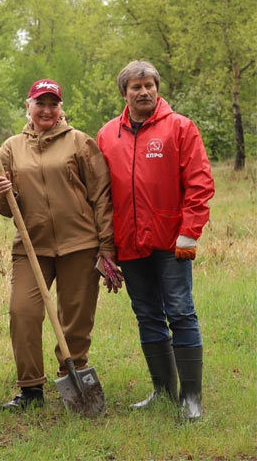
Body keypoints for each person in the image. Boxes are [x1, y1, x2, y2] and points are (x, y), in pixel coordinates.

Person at [0, 79, 117, 410]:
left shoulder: (80, 143)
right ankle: (30, 389)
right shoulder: (10, 148)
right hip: (31, 246)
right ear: (28, 106)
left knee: (76, 318)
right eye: (39, 103)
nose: (46, 110)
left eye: (52, 104)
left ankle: (72, 376)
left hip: (80, 244)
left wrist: (106, 245)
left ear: (61, 108)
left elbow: (101, 195)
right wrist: (3, 191)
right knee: (23, 312)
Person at [97, 60, 214, 420]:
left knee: (180, 312)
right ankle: (163, 390)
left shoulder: (180, 128)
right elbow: (100, 194)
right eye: (136, 86)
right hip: (129, 244)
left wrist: (189, 234)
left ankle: (190, 398)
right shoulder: (106, 135)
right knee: (146, 315)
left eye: (149, 85)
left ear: (157, 88)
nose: (144, 91)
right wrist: (105, 247)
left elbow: (199, 184)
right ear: (124, 93)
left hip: (171, 241)